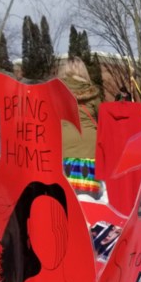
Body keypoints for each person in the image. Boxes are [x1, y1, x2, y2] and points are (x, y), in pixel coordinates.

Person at [59, 57, 102, 198]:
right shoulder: (93, 93)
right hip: (90, 144)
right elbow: (102, 118)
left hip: (65, 142)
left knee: (66, 193)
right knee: (89, 194)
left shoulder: (56, 91)